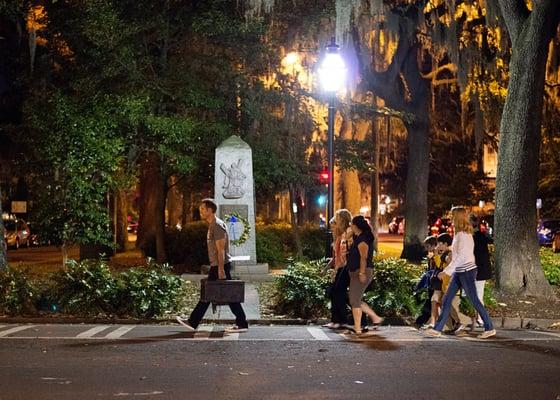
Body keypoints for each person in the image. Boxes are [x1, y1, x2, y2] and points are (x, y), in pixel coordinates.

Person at [176, 198, 248, 333]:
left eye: (203, 209)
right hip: (218, 265)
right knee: (225, 294)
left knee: (212, 293)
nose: (201, 212)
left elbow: (221, 249)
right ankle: (241, 322)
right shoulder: (213, 225)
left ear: (210, 210)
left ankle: (193, 321)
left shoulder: (217, 225)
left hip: (220, 265)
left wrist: (220, 269)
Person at [425, 207, 495, 339]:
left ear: (458, 217)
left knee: (475, 300)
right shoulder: (460, 234)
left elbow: (462, 257)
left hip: (466, 271)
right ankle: (437, 329)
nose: (450, 217)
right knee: (446, 299)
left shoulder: (464, 235)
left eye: (452, 215)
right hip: (460, 271)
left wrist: (446, 272)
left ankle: (489, 327)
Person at [346, 215, 383, 335]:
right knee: (355, 299)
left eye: (352, 223)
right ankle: (375, 318)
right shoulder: (358, 237)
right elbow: (346, 239)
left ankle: (357, 328)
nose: (350, 225)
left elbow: (364, 258)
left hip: (361, 272)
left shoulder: (362, 240)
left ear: (356, 226)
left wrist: (362, 273)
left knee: (354, 300)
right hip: (355, 272)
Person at [435, 233, 472, 334]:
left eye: (439, 243)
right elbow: (439, 265)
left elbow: (451, 265)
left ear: (445, 243)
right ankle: (450, 327)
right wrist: (437, 254)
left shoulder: (450, 252)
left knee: (447, 304)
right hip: (446, 284)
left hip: (451, 284)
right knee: (444, 304)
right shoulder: (446, 252)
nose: (438, 246)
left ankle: (463, 321)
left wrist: (441, 256)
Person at [324, 209, 353, 329]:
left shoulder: (347, 235)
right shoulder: (340, 237)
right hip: (341, 269)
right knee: (336, 293)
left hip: (344, 269)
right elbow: (337, 257)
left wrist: (337, 270)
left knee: (337, 293)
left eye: (336, 221)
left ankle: (341, 320)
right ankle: (338, 320)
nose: (332, 228)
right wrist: (327, 268)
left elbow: (344, 255)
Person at [469, 214, 493, 326]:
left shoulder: (476, 237)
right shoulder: (479, 236)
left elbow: (478, 256)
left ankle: (480, 318)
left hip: (478, 270)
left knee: (478, 295)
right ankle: (478, 318)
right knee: (476, 295)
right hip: (477, 270)